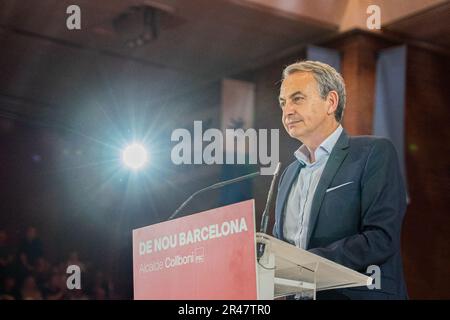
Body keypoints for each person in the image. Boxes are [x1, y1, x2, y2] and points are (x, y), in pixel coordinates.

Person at [274, 60, 407, 299]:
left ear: (331, 102)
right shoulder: (288, 174)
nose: (287, 111)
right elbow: (280, 248)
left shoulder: (372, 153)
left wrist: (304, 266)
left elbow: (380, 238)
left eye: (297, 98)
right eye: (283, 103)